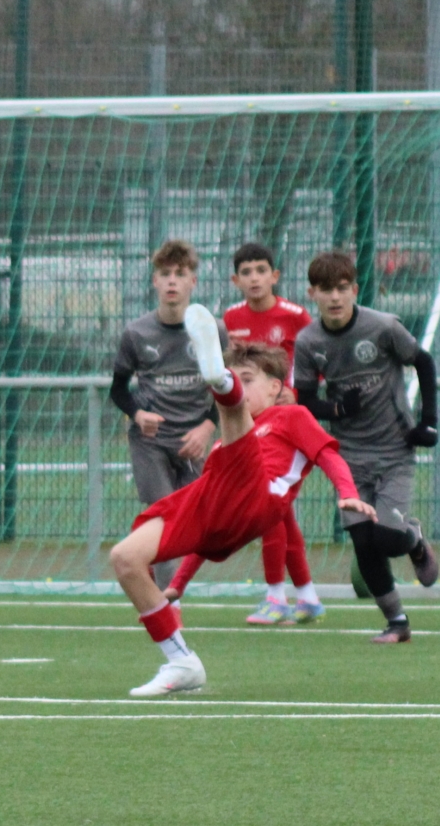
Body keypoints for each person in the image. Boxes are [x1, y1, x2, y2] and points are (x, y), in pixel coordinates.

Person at [111, 328, 374, 697]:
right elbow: (209, 528)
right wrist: (178, 586)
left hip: (260, 494)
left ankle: (219, 381)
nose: (245, 387)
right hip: (219, 496)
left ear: (276, 387)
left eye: (247, 379)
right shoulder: (224, 445)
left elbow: (328, 455)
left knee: (234, 422)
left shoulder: (291, 416)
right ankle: (181, 662)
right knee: (125, 559)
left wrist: (348, 493)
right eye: (238, 380)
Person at [164, 242, 322, 623]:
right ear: (236, 280)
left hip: (281, 421)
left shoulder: (295, 316)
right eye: (246, 272)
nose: (254, 278)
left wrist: (295, 393)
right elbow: (231, 368)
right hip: (251, 418)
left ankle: (277, 597)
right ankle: (306, 596)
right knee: (279, 513)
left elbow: (314, 359)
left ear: (274, 276)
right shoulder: (232, 317)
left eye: (261, 271)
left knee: (270, 508)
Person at [292, 251, 440, 643]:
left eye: (342, 288)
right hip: (348, 456)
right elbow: (304, 401)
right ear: (312, 293)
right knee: (363, 542)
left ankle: (414, 540)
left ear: (355, 290)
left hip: (394, 450)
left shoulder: (383, 326)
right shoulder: (308, 342)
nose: (335, 297)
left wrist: (428, 421)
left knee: (387, 539)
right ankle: (397, 623)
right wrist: (337, 409)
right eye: (326, 289)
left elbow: (424, 362)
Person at [111, 240, 220, 587]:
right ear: (155, 281)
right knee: (163, 517)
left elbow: (227, 388)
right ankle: (166, 601)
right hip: (151, 440)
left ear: (193, 282)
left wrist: (207, 427)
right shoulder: (137, 333)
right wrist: (137, 415)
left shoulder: (212, 330)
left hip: (193, 441)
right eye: (165, 273)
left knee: (190, 524)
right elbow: (118, 389)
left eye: (180, 274)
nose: (172, 280)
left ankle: (159, 579)